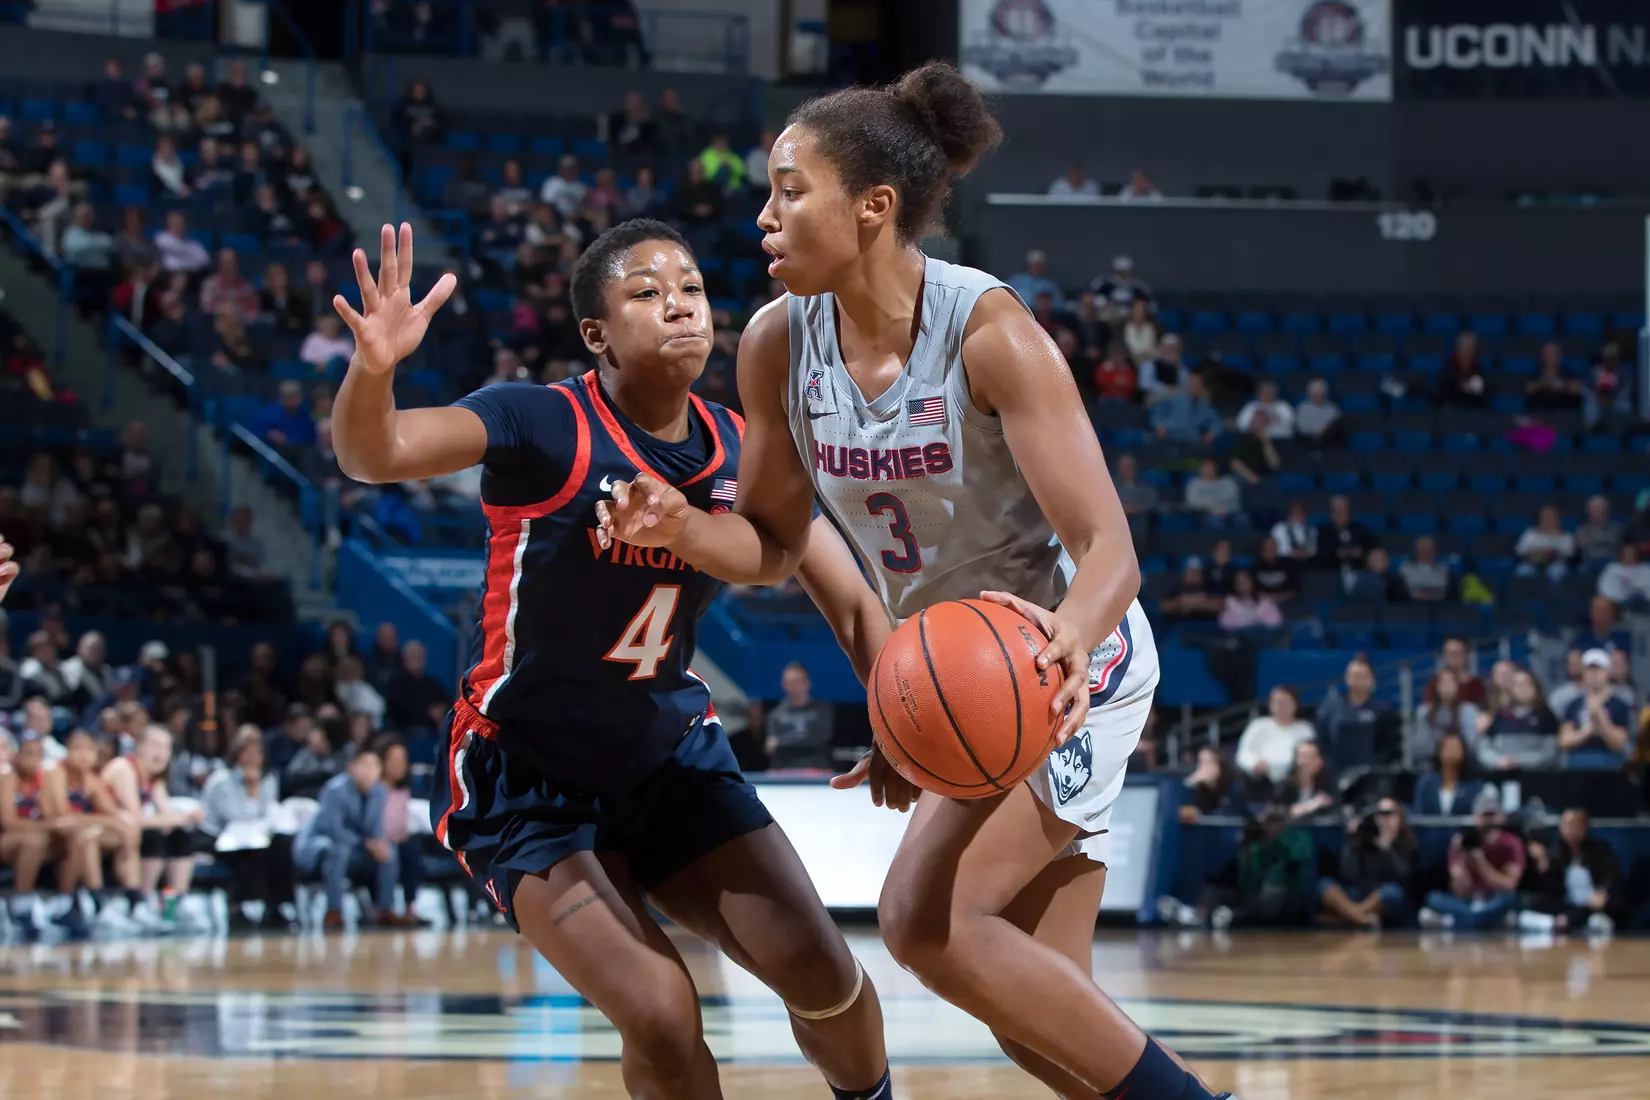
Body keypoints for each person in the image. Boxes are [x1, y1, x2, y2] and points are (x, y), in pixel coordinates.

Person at [600, 65, 1224, 1100]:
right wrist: (683, 530)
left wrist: (1061, 645)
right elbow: (771, 545)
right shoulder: (775, 344)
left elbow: (1109, 546)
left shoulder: (988, 331)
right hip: (966, 669)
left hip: (1070, 657)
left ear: (873, 206)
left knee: (926, 922)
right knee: (1039, 1022)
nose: (763, 215)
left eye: (790, 190)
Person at [329, 221, 895, 1099]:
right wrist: (374, 368)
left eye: (693, 288)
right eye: (645, 291)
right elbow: (375, 452)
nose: (678, 303)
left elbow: (853, 599)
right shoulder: (539, 422)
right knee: (663, 1012)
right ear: (596, 334)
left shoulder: (741, 449)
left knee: (827, 978)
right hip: (524, 774)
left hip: (669, 759)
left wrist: (899, 718)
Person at [102, 724, 209, 930]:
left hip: (130, 834)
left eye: (167, 748)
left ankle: (177, 901)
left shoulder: (153, 778)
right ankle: (141, 901)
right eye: (156, 746)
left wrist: (181, 820)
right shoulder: (123, 768)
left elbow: (167, 818)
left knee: (179, 836)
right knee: (154, 836)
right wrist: (182, 818)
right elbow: (135, 819)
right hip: (110, 835)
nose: (162, 753)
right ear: (139, 747)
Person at [293, 744, 405, 929]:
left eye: (375, 766)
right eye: (365, 766)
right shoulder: (335, 790)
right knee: (338, 850)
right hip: (320, 845)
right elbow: (334, 830)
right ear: (352, 768)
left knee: (388, 850)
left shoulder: (380, 792)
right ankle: (334, 910)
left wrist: (378, 843)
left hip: (356, 848)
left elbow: (375, 828)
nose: (370, 772)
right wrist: (367, 843)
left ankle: (385, 908)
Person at [198, 725, 295, 929]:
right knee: (249, 852)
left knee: (281, 846)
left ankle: (275, 907)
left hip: (255, 836)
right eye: (247, 753)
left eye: (256, 753)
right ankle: (238, 906)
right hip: (219, 839)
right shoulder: (221, 780)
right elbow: (235, 817)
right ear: (237, 755)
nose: (252, 759)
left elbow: (268, 814)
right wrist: (252, 791)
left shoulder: (268, 779)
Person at [1, 732, 88, 938]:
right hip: (8, 839)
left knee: (75, 838)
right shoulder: (7, 777)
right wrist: (47, 827)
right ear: (17, 755)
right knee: (33, 842)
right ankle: (21, 905)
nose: (33, 759)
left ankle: (64, 904)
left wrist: (57, 824)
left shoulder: (46, 777)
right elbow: (8, 822)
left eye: (38, 754)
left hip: (38, 837)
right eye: (28, 753)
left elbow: (51, 814)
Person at [1419, 787, 1525, 931]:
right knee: (1433, 898)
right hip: (1467, 901)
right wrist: (1461, 857)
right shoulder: (1464, 841)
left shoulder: (1511, 843)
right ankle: (1476, 920)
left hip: (1493, 900)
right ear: (1475, 817)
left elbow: (1509, 885)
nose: (1488, 821)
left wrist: (1481, 862)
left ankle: (1458, 921)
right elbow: (1459, 889)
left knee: (1511, 900)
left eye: (1492, 815)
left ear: (1501, 817)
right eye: (1484, 816)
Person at [1316, 797, 1415, 930]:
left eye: (1389, 814)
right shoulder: (1364, 838)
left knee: (1393, 892)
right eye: (1380, 814)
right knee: (1324, 885)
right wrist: (1351, 841)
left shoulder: (1405, 843)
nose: (1384, 819)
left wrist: (1386, 847)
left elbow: (1402, 876)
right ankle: (1360, 918)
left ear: (1400, 818)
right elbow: (1347, 872)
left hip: (1381, 896)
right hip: (1358, 892)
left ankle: (1348, 917)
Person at [1518, 807, 1617, 936]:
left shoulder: (1601, 851)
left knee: (1598, 923)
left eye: (1575, 824)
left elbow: (1610, 880)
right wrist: (1542, 863)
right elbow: (1549, 890)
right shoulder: (1556, 852)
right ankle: (1555, 924)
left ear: (1585, 827)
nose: (1570, 829)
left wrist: (1602, 893)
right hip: (1566, 907)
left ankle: (1566, 924)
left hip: (1591, 909)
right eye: (1566, 824)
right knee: (1526, 914)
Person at [1557, 648, 1633, 767]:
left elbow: (1619, 743)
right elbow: (1564, 740)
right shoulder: (1573, 705)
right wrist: (1589, 730)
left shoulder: (1620, 705)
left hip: (1610, 761)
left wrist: (1599, 714)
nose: (1594, 674)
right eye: (1589, 670)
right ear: (1583, 672)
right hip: (1579, 762)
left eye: (1599, 669)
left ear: (1607, 672)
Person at [1234, 687, 1315, 796]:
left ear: (1295, 704)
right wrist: (1254, 764)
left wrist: (1278, 767)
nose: (1280, 706)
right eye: (1276, 702)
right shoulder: (1258, 725)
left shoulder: (1305, 729)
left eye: (1284, 702)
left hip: (1292, 782)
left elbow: (1309, 757)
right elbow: (1243, 753)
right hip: (1260, 781)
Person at [764, 661, 835, 770]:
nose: (794, 686)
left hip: (815, 766)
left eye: (797, 681)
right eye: (789, 682)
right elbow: (770, 745)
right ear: (784, 685)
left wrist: (782, 742)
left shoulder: (822, 710)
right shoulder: (775, 714)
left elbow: (822, 737)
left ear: (807, 683)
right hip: (784, 767)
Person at [1412, 667, 1482, 766]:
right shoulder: (1424, 712)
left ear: (1457, 686)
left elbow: (1473, 744)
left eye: (1451, 682)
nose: (1447, 686)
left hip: (1464, 766)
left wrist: (1454, 751)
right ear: (1436, 686)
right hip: (1432, 766)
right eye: (1443, 682)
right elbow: (1419, 747)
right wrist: (1443, 752)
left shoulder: (1469, 710)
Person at [1410, 730, 1482, 816]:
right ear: (1439, 752)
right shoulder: (1426, 783)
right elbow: (1418, 814)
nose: (1451, 752)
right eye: (1448, 748)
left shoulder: (1475, 786)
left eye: (1455, 748)